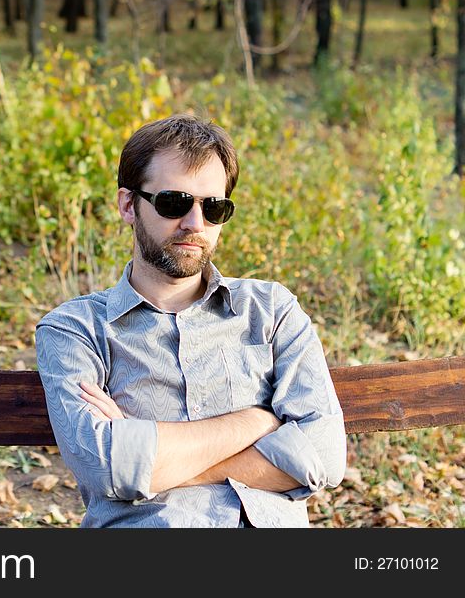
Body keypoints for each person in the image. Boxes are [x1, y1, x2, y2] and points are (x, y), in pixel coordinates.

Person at [35, 114, 347, 527]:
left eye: (213, 208)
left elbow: (324, 455)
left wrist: (155, 462)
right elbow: (105, 466)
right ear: (129, 205)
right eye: (173, 203)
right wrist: (259, 421)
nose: (195, 224)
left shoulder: (271, 310)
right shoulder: (75, 330)